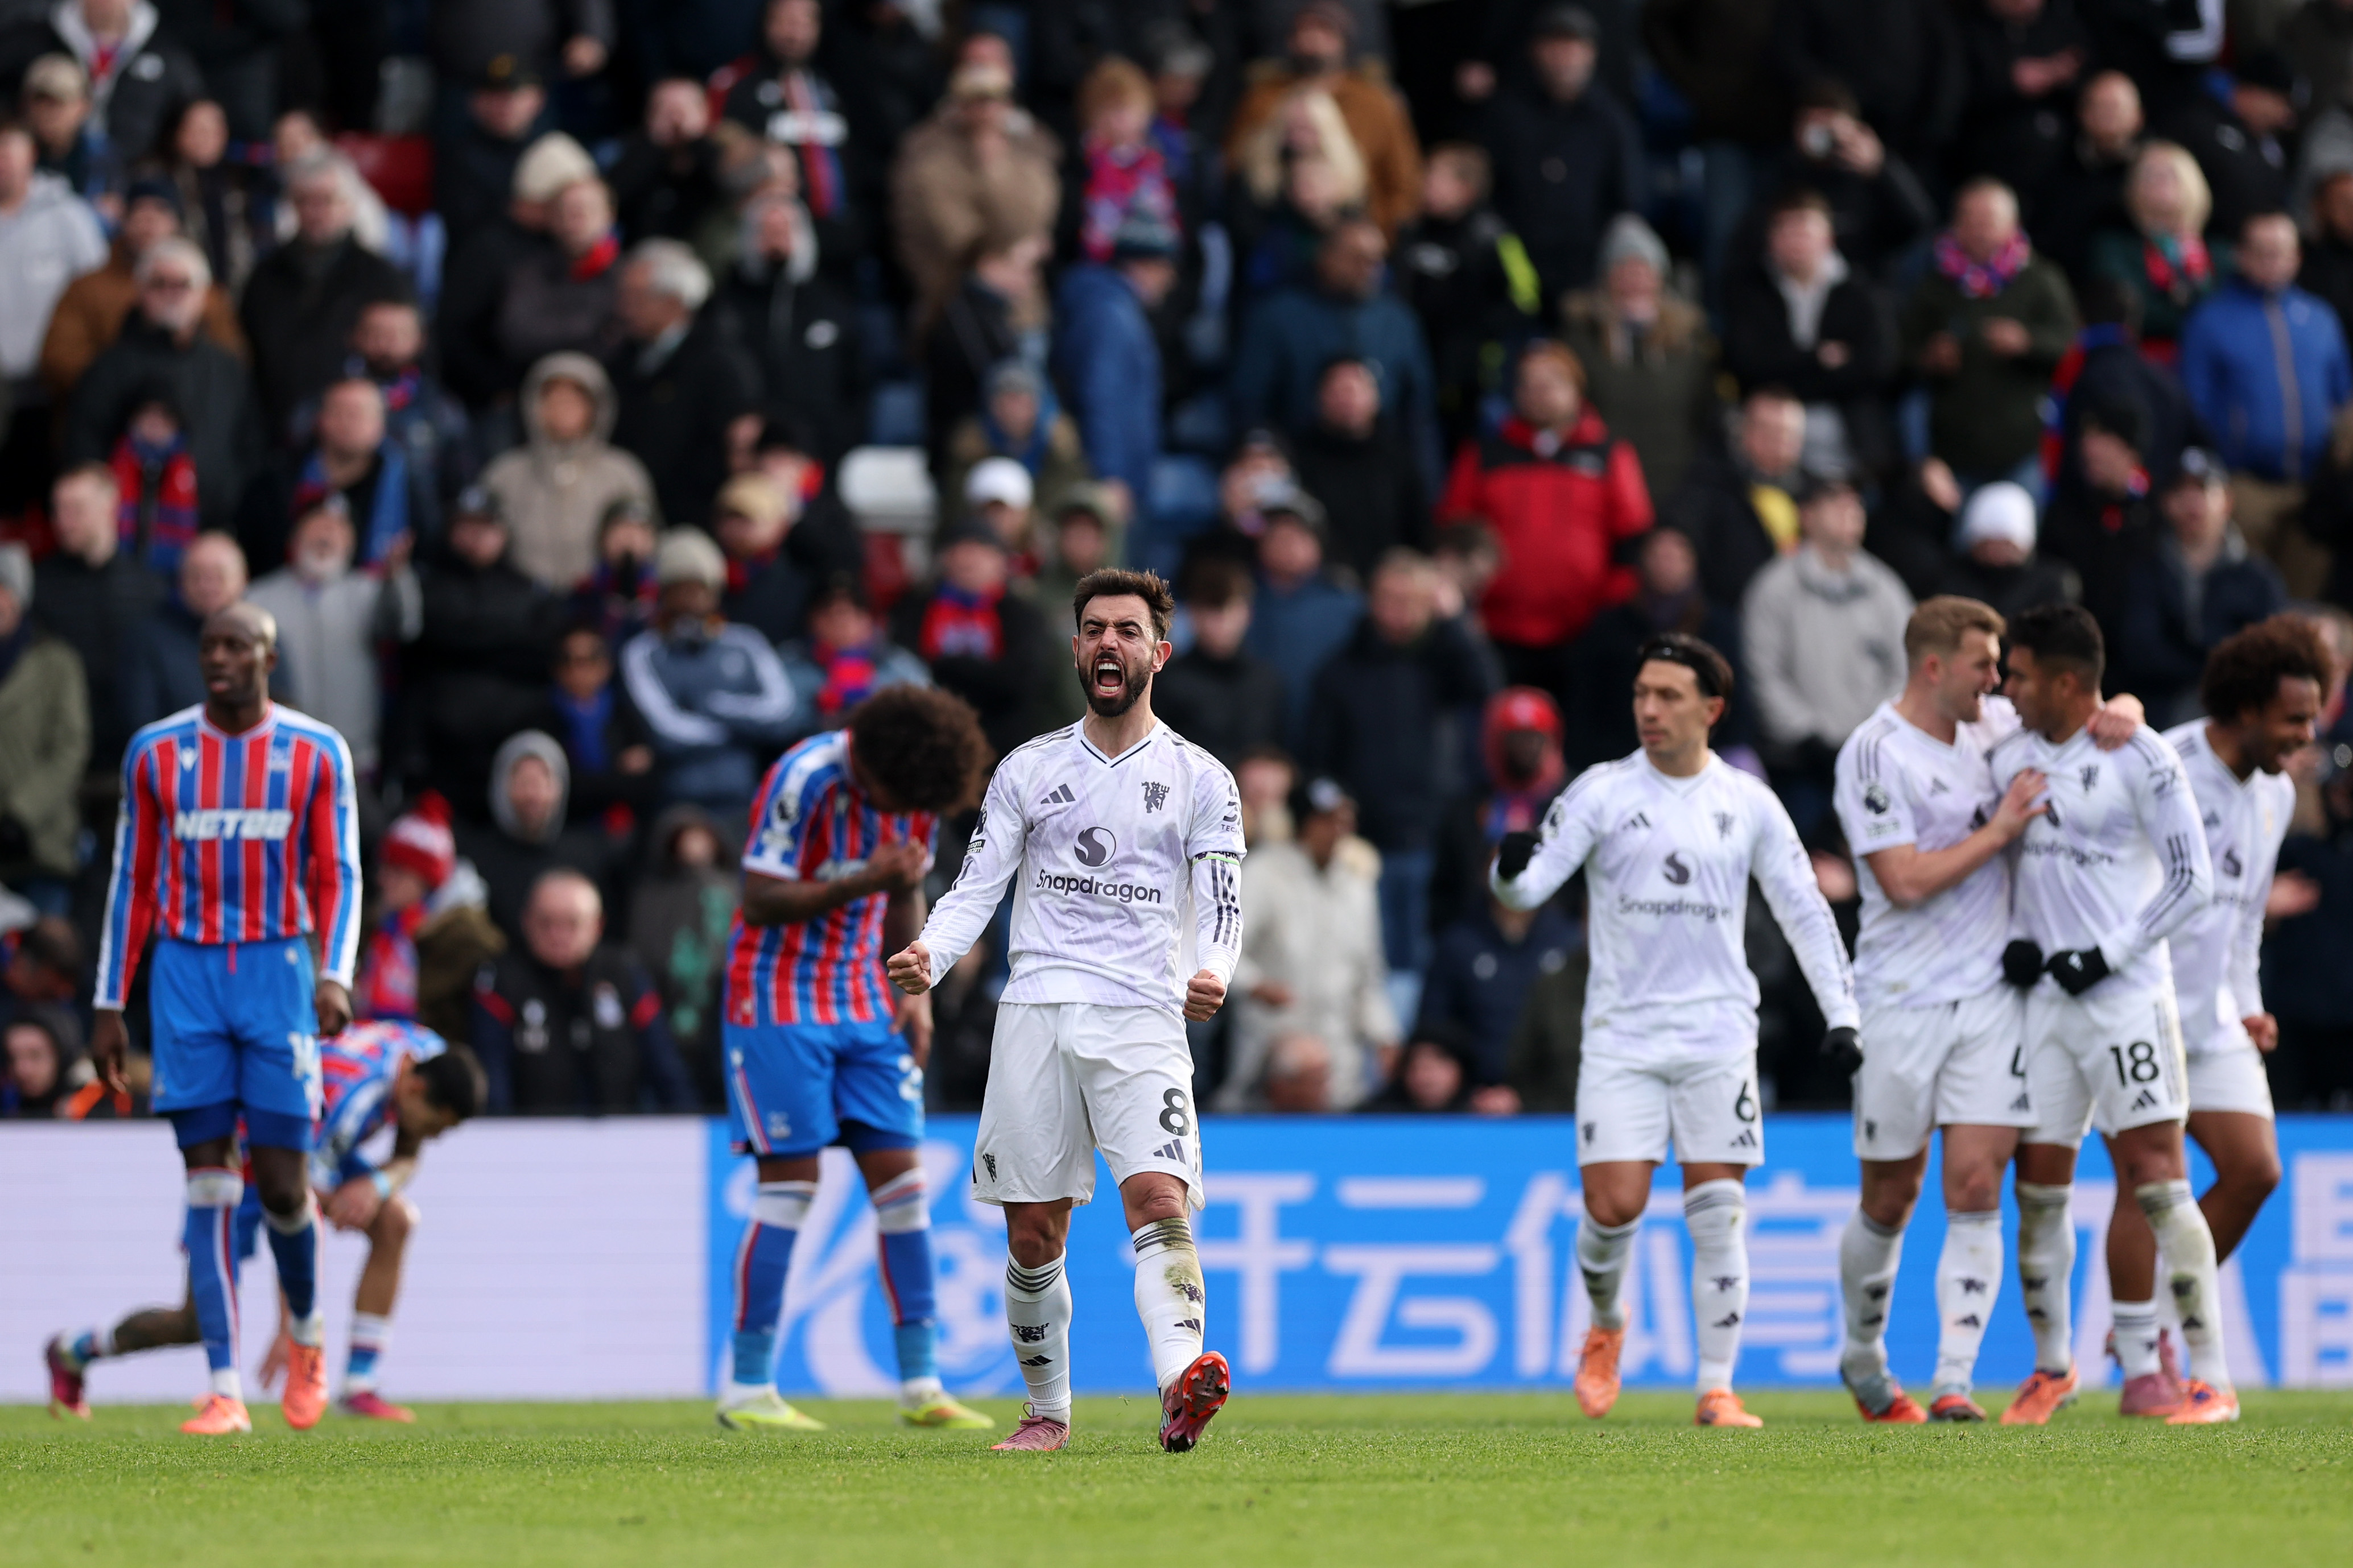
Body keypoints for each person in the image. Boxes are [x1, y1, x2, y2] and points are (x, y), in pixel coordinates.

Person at [886, 568, 1244, 1455]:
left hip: (1144, 1015)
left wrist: (1214, 969)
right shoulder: (1030, 767)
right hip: (1037, 1009)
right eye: (1094, 629)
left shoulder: (1202, 778)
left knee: (1159, 1198)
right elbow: (978, 885)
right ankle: (1047, 1412)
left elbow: (1223, 900)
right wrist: (932, 952)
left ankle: (1180, 1380)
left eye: (1127, 630)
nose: (1108, 643)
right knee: (1034, 1230)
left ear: (1159, 652)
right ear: (1077, 648)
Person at [1492, 631, 1857, 1429]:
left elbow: (1804, 908)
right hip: (1621, 1037)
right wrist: (1508, 868)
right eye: (1641, 695)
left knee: (1718, 1210)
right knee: (1612, 1207)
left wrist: (1844, 1013)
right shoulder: (1600, 791)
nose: (1649, 709)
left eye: (1667, 696)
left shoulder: (1748, 802)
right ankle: (1607, 1323)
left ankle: (1716, 1388)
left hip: (1718, 1036)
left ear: (1711, 709)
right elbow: (1528, 888)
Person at [1830, 596, 2142, 1424]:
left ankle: (1953, 1380)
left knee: (1975, 1182)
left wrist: (2125, 707)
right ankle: (1862, 1355)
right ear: (1934, 667)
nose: (1998, 681)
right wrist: (2001, 830)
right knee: (1890, 1195)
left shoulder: (1996, 725)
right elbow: (1903, 880)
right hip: (1898, 998)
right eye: (1983, 665)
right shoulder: (1872, 752)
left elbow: (2090, 714)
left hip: (1993, 997)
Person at [88, 599, 362, 1435]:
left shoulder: (316, 751)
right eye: (211, 645)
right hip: (186, 977)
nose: (219, 658)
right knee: (207, 1181)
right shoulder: (156, 752)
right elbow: (132, 880)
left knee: (281, 1187)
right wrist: (109, 1000)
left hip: (278, 972)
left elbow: (339, 873)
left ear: (268, 660)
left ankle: (307, 1334)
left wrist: (335, 974)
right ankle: (224, 1388)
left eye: (237, 646)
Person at [715, 685, 996, 1432]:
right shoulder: (804, 777)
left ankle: (922, 1385)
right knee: (790, 1187)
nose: (894, 809)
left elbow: (905, 888)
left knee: (904, 1188)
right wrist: (866, 878)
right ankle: (747, 1387)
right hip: (777, 995)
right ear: (867, 761)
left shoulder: (917, 787)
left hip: (865, 998)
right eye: (886, 795)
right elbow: (758, 898)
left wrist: (916, 991)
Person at [1989, 603, 2236, 1425]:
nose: (2007, 688)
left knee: (2158, 1178)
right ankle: (2052, 1369)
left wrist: (2107, 953)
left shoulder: (2140, 754)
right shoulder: (2009, 752)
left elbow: (2193, 880)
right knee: (2039, 1189)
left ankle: (2210, 1380)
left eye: (2020, 675)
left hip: (2126, 1000)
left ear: (2066, 683)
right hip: (2042, 1006)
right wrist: (2019, 938)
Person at [2092, 617, 2329, 1413]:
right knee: (2146, 1183)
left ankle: (2159, 1321)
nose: (2305, 737)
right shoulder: (2166, 765)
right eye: (2294, 719)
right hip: (2135, 1007)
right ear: (2247, 708)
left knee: (2256, 1169)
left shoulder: (2277, 792)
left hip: (2214, 1019)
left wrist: (2249, 1006)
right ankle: (2142, 1368)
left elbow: (2245, 917)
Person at [44, 1020, 485, 1424]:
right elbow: (293, 1206)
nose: (433, 1137)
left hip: (298, 1153)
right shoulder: (348, 1098)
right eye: (435, 1125)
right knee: (194, 1322)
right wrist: (289, 1327)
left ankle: (359, 1386)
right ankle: (72, 1351)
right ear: (414, 1087)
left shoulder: (428, 1050)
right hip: (238, 1164)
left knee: (394, 1219)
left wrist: (377, 1186)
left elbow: (405, 1154)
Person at [1303, 549, 1496, 977]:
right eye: (1389, 598)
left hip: (1434, 837)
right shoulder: (1340, 670)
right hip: (1362, 843)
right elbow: (1318, 759)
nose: (1399, 611)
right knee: (1364, 960)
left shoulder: (1444, 660)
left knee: (1426, 961)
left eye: (1411, 600)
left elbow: (1487, 688)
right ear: (1371, 601)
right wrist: (1337, 811)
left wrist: (1454, 620)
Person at [1436, 340, 1651, 701]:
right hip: (1497, 631)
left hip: (1584, 633)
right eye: (1529, 383)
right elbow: (1453, 534)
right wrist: (1466, 605)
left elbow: (1633, 541)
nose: (1540, 393)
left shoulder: (1609, 455)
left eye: (1552, 382)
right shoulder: (1485, 455)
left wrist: (1610, 613)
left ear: (1577, 390)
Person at [2179, 212, 2353, 597]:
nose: (2272, 261)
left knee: (2306, 605)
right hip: (2245, 487)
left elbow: (2344, 400)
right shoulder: (2211, 320)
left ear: (2297, 257)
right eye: (2262, 251)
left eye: (2281, 252)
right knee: (2247, 599)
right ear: (2240, 255)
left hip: (2313, 491)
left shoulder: (2320, 318)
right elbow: (2194, 406)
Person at [1741, 474, 1915, 828]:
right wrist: (1807, 736)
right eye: (1835, 502)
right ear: (1806, 516)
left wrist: (1876, 730)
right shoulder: (1773, 589)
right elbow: (1762, 673)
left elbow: (1908, 667)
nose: (1850, 511)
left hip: (1877, 761)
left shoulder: (1886, 588)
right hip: (1799, 766)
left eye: (1856, 503)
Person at [62, 237, 262, 536]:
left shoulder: (227, 369)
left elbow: (250, 446)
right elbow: (83, 450)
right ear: (140, 291)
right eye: (159, 284)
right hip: (122, 535)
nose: (171, 293)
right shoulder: (109, 367)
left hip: (211, 532)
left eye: (183, 284)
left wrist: (227, 498)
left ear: (204, 295)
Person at [1231, 216, 1443, 494]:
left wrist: (1428, 486)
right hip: (1299, 470)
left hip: (1380, 474)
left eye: (1377, 259)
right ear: (1326, 256)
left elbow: (1419, 412)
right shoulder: (1277, 316)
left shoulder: (1398, 321)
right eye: (1357, 258)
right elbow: (1250, 404)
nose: (1370, 269)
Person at [1222, 775, 1395, 1112]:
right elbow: (1222, 946)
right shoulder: (1263, 873)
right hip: (1272, 1056)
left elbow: (1368, 975)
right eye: (1326, 820)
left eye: (1344, 820)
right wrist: (1256, 985)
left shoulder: (1357, 886)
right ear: (1303, 822)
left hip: (1339, 1064)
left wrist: (1384, 1037)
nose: (1337, 830)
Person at [1898, 179, 2080, 490]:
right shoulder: (1933, 283)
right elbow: (1900, 354)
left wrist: (2028, 343)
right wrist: (1928, 358)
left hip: (2024, 451)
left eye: (1989, 221)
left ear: (2013, 225)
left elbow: (2072, 347)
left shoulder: (2041, 279)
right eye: (1970, 219)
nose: (1979, 230)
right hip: (1952, 456)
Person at [472, 868, 693, 1114]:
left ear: (597, 926)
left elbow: (666, 1069)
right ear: (526, 921)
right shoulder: (501, 980)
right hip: (531, 1131)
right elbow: (491, 1076)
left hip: (620, 1129)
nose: (557, 935)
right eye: (546, 923)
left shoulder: (624, 974)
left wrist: (685, 1123)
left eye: (572, 923)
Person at [1720, 187, 1897, 483]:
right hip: (1767, 457)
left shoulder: (1862, 293)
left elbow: (1878, 367)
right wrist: (1816, 359)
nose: (1797, 242)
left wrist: (1790, 371)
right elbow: (1746, 364)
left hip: (1852, 450)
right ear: (1771, 239)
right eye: (1787, 232)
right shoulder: (1748, 291)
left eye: (1805, 232)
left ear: (1828, 239)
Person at [620, 528, 797, 819]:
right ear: (663, 594)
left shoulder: (747, 643)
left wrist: (715, 706)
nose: (691, 600)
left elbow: (782, 713)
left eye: (700, 589)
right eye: (681, 589)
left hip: (745, 798)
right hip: (679, 803)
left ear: (716, 592)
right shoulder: (642, 652)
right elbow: (666, 731)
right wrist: (744, 733)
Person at [245, 498, 421, 780]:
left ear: (351, 544)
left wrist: (397, 576)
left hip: (352, 754)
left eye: (338, 529)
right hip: (278, 752)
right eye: (318, 526)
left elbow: (404, 626)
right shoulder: (259, 597)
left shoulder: (369, 591)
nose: (327, 534)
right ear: (295, 538)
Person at [1477, 5, 1642, 303]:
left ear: (1591, 53)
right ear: (1536, 51)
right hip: (1515, 269)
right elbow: (1488, 193)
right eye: (1555, 46)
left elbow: (1627, 200)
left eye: (1573, 46)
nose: (1564, 57)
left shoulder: (1611, 122)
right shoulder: (1506, 115)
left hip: (1588, 271)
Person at [2113, 450, 2288, 726]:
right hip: (2158, 713)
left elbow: (2272, 656)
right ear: (2165, 502)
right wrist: (2217, 664)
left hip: (2239, 715)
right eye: (2180, 491)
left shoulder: (2259, 579)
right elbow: (2140, 652)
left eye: (2203, 490)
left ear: (2227, 501)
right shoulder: (2144, 572)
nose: (2192, 502)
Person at [37, 175, 242, 409]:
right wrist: (122, 390)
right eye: (138, 211)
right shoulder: (86, 289)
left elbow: (231, 360)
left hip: (191, 415)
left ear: (176, 222)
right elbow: (59, 359)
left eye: (160, 211)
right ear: (124, 220)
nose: (148, 221)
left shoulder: (206, 292)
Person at [1222, 1, 1419, 237]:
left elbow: (1403, 182)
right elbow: (1233, 164)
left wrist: (1380, 232)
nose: (1312, 40)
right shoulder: (1263, 97)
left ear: (1344, 41)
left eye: (1324, 30)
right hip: (1273, 228)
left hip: (1355, 228)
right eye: (1303, 31)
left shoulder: (1374, 102)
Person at [1560, 213, 1721, 502]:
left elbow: (1705, 413)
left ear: (1661, 276)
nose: (1633, 279)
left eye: (1643, 269)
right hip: (1603, 487)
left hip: (1677, 487)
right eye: (1623, 269)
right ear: (1606, 277)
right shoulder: (1580, 337)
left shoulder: (1690, 341)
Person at [889, 60, 1062, 328]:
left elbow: (1036, 219)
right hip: (956, 308)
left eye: (995, 101)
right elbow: (957, 238)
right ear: (959, 106)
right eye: (977, 102)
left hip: (1024, 303)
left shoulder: (1031, 156)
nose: (986, 111)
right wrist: (1002, 258)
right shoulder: (931, 163)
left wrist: (996, 166)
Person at [1394, 141, 1543, 448]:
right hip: (1418, 358)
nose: (1426, 185)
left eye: (1436, 178)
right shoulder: (1412, 231)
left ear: (1466, 189)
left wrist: (1478, 331)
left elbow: (1526, 296)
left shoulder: (1493, 237)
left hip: (1473, 372)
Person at [607, 240, 759, 531]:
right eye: (623, 294)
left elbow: (733, 448)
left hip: (695, 519)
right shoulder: (623, 358)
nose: (624, 307)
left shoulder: (720, 364)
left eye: (637, 296)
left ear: (673, 302)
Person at [481, 353, 658, 594]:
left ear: (597, 407)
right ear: (533, 406)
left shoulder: (623, 473)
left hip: (602, 602)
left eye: (575, 400)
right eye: (553, 399)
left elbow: (652, 545)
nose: (563, 409)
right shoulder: (505, 474)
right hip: (520, 602)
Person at [1051, 210, 1176, 537]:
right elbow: (1101, 395)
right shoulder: (1111, 316)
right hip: (1111, 481)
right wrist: (1111, 475)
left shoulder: (1115, 309)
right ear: (1142, 266)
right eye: (1165, 268)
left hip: (1123, 476)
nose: (1170, 280)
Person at [719, 188, 864, 464]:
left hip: (822, 452)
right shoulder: (728, 304)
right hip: (749, 453)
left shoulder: (829, 302)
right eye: (767, 231)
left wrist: (842, 438)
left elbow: (857, 379)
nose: (777, 241)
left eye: (784, 231)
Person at [889, 518, 1048, 762]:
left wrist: (947, 666)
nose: (968, 560)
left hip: (1002, 741)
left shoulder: (1021, 614)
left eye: (979, 551)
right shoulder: (916, 608)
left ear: (1001, 562)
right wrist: (982, 674)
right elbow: (903, 670)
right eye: (959, 551)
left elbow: (1019, 681)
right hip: (930, 734)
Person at [238, 377, 434, 574]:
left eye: (358, 414)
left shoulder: (407, 486)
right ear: (320, 419)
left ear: (381, 425)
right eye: (339, 412)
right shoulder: (277, 482)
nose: (347, 423)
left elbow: (427, 553)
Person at [31, 462, 155, 772]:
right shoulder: (39, 586)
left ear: (109, 507)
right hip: (58, 753)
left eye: (76, 509)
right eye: (58, 510)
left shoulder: (148, 586)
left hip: (131, 753)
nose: (63, 522)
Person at [0, 0, 203, 168]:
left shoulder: (166, 49)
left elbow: (195, 113)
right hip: (41, 169)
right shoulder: (34, 38)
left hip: (134, 176)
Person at [1660, 386, 1809, 611]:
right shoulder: (1710, 484)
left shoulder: (1817, 495)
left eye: (1787, 433)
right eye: (1766, 431)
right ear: (1743, 431)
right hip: (1728, 614)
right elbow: (1679, 528)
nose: (1778, 442)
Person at [1292, 354, 1434, 581]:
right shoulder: (1297, 459)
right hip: (1321, 585)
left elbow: (1418, 529)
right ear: (1320, 398)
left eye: (1356, 389)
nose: (1348, 398)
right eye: (1338, 390)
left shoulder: (1398, 458)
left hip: (1393, 584)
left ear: (1376, 397)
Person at [0, 543, 88, 907]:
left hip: (41, 846)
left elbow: (71, 748)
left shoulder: (57, 663)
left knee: (46, 939)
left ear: (18, 599)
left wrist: (20, 814)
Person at [2089, 142, 2224, 363]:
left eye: (2170, 174)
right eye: (2149, 176)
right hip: (2144, 363)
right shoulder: (2115, 247)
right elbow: (2134, 314)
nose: (2159, 182)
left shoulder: (2220, 252)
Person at [1153, 558, 1286, 770]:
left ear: (1248, 613)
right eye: (1212, 610)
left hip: (1252, 791)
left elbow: (1282, 755)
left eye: (1229, 609)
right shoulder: (1167, 682)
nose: (1222, 622)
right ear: (1194, 615)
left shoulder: (1268, 683)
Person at [119, 528, 245, 733]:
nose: (206, 585)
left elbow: (282, 714)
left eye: (218, 575)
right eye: (196, 575)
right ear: (181, 582)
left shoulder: (262, 638)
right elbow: (141, 726)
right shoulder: (147, 640)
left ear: (243, 580)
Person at [778, 577, 931, 739]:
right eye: (829, 613)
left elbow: (929, 718)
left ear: (869, 619)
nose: (841, 622)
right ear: (812, 620)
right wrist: (818, 713)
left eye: (851, 612)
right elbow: (777, 726)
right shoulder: (790, 663)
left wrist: (878, 712)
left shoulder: (900, 666)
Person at [1935, 479, 2081, 626]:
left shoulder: (2053, 582)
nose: (1996, 552)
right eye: (1988, 542)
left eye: (2007, 543)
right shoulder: (1951, 580)